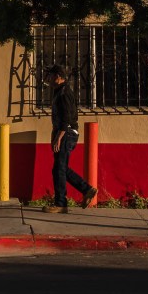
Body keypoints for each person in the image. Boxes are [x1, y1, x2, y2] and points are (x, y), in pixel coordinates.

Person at [44, 63, 97, 213]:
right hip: (64, 133)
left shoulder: (64, 92)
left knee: (59, 169)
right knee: (59, 169)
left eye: (50, 75)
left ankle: (61, 204)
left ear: (58, 77)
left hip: (67, 133)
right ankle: (87, 190)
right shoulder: (59, 91)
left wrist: (59, 137)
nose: (48, 79)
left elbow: (66, 118)